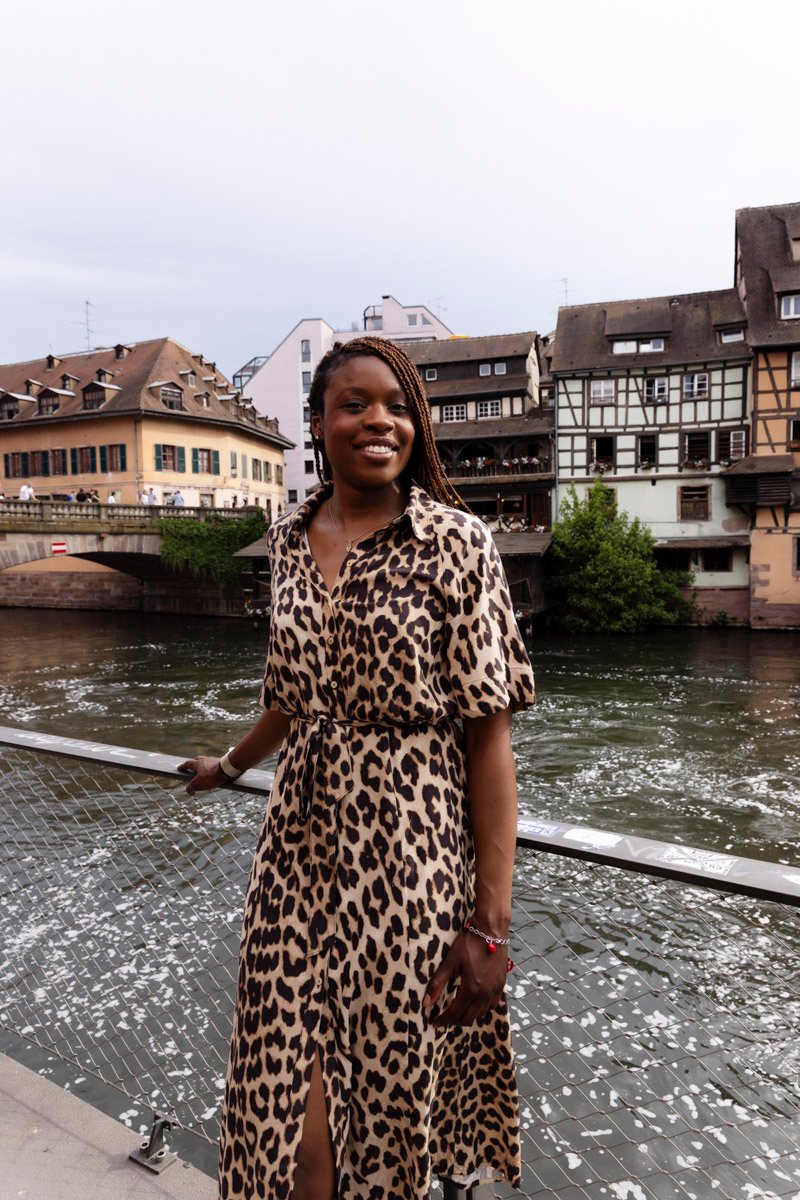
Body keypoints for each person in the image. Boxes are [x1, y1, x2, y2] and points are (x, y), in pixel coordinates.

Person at [178, 337, 535, 1200]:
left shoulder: (456, 544)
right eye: (355, 404)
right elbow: (293, 695)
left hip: (406, 864)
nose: (379, 421)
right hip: (293, 858)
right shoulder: (290, 541)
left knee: (384, 1107)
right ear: (318, 425)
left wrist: (489, 927)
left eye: (397, 406)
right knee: (281, 1107)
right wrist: (229, 766)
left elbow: (489, 740)